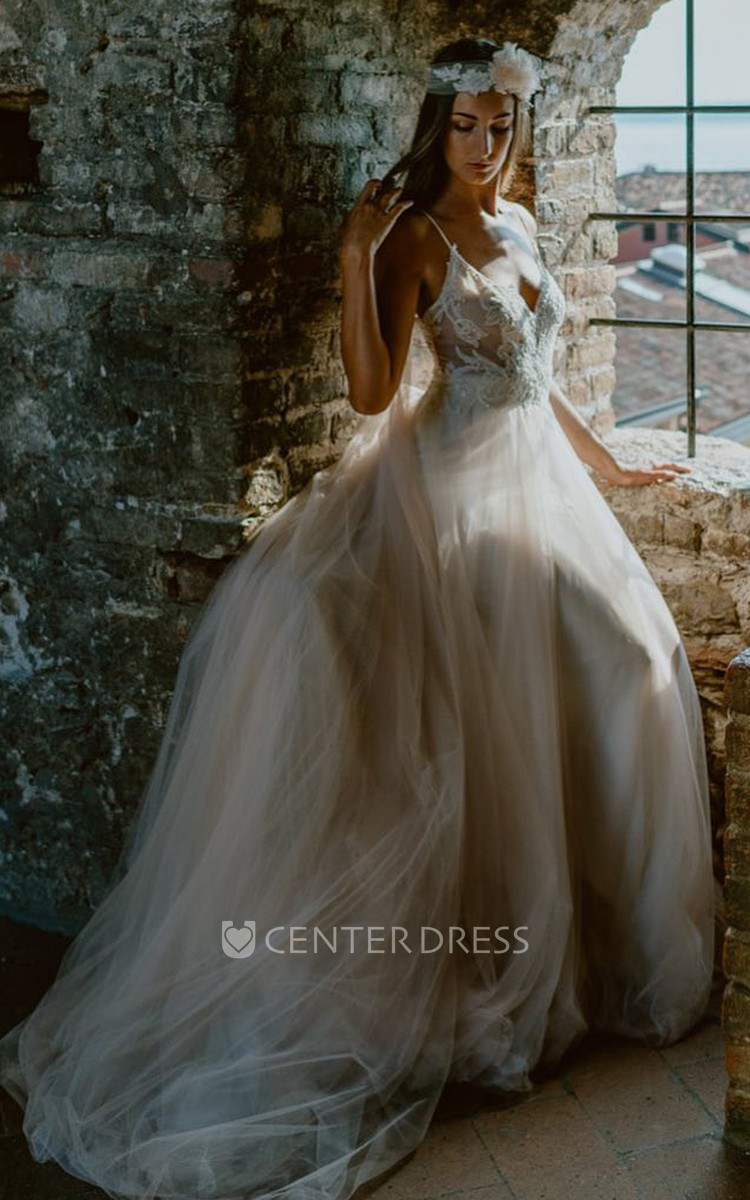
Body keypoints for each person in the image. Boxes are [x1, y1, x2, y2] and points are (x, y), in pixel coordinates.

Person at [0, 35, 714, 1200]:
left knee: (634, 655)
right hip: (449, 495)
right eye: (473, 127)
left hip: (545, 485)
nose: (491, 147)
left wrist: (614, 468)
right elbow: (378, 392)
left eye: (506, 126)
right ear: (439, 127)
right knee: (488, 723)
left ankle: (603, 949)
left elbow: (542, 378)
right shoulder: (415, 236)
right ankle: (484, 972)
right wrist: (350, 253)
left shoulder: (521, 226)